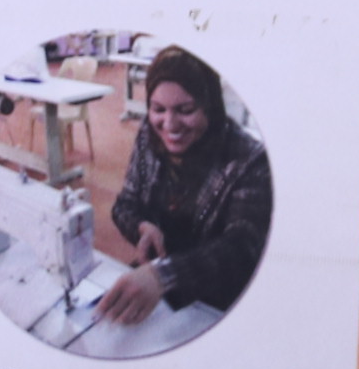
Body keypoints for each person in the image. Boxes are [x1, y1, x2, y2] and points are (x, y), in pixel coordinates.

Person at [96, 48, 274, 328]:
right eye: (158, 109)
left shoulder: (248, 159)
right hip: (156, 285)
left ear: (209, 106)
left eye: (186, 110)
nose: (169, 125)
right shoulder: (150, 136)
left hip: (218, 301)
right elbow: (125, 204)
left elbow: (242, 247)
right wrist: (141, 226)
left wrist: (164, 276)